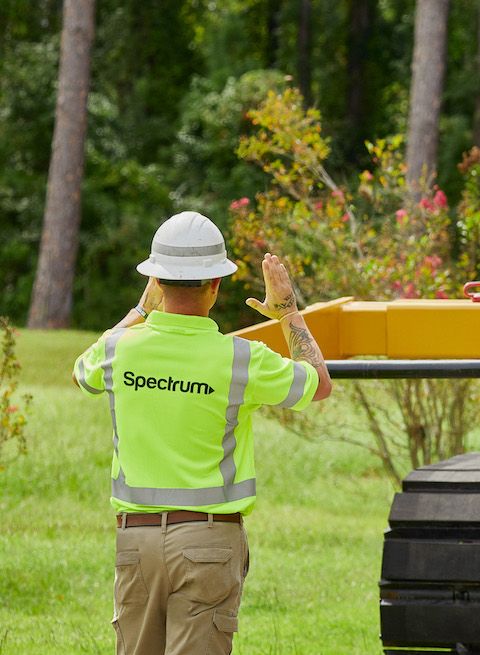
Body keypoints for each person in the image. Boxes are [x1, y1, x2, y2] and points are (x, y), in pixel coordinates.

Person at [73, 211, 333, 655]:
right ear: (216, 284)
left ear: (156, 282)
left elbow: (83, 372)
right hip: (209, 544)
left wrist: (140, 310)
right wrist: (287, 309)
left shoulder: (117, 351)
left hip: (135, 541)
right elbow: (318, 382)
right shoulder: (241, 359)